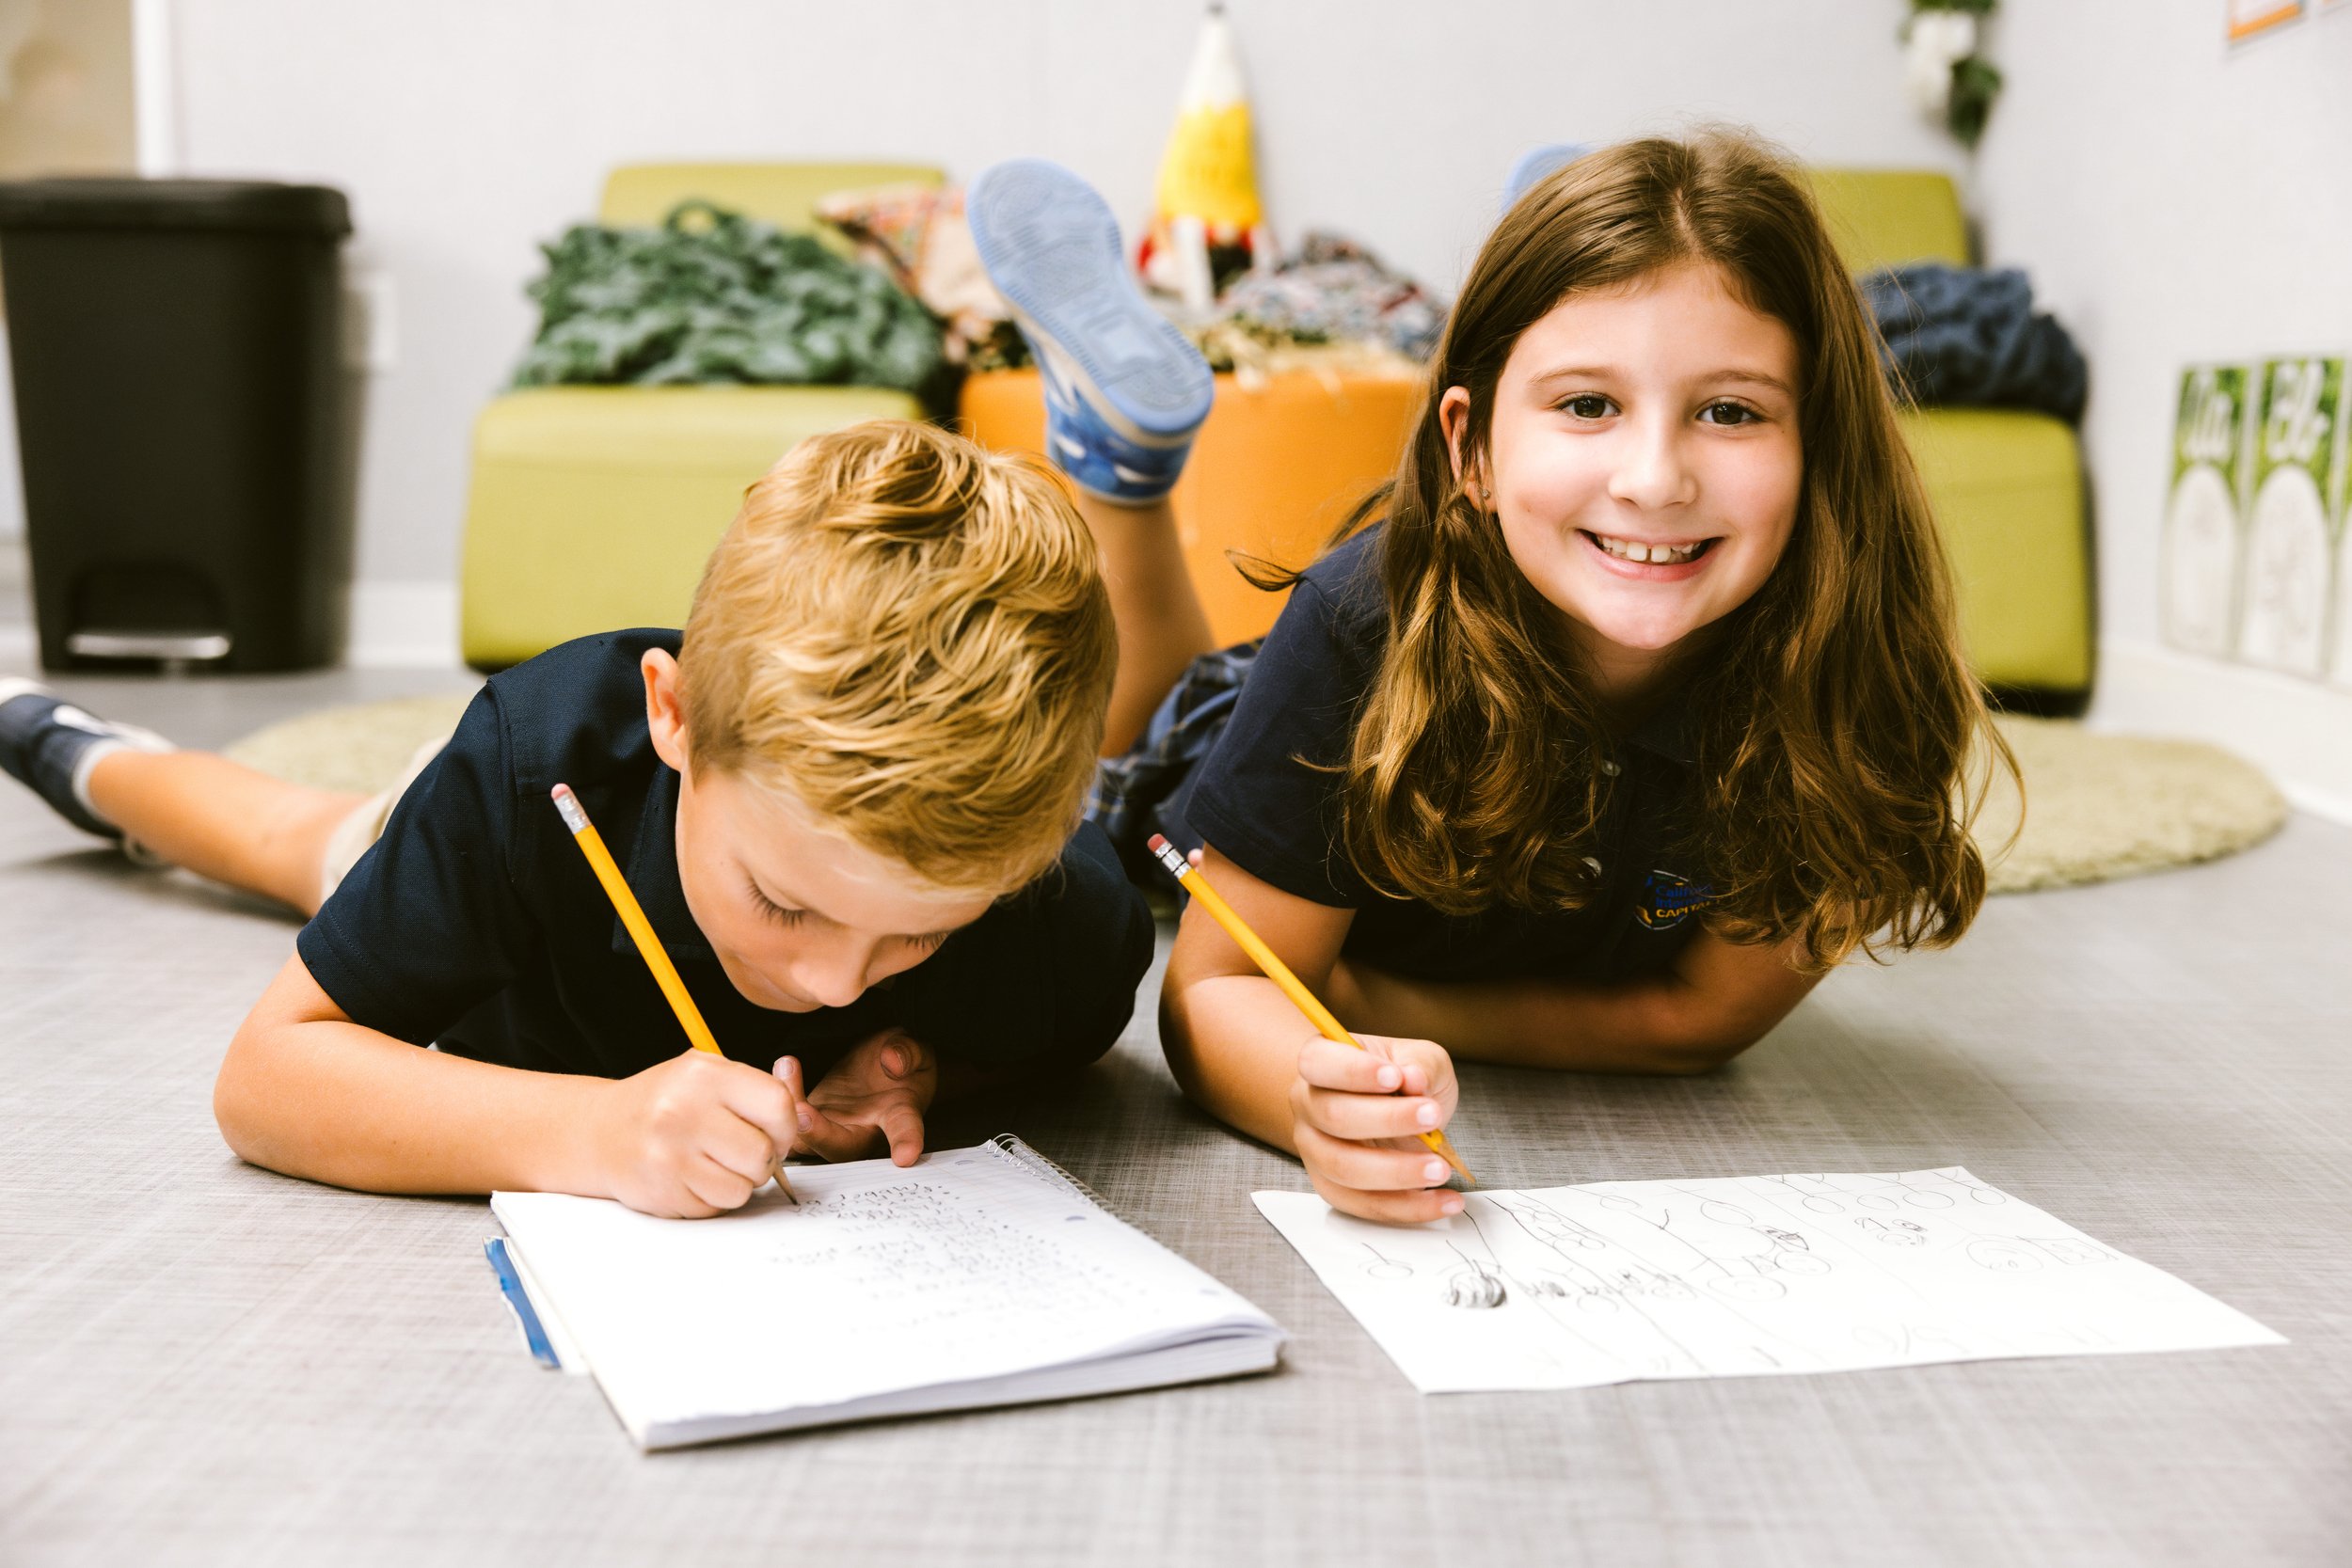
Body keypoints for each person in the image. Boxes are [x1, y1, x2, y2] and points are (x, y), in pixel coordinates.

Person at [971, 134, 2009, 1226]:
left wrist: (1359, 993)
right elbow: (1217, 987)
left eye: (1731, 411)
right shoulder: (1356, 623)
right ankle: (1121, 468)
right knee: (1140, 738)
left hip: (1398, 843)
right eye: (1588, 404)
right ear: (1467, 450)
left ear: (1823, 450)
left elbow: (1699, 1021)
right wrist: (1307, 1096)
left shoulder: (1860, 673)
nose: (1656, 478)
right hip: (1321, 701)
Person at [0, 420, 1154, 1217]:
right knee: (301, 843)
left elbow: (1050, 1033)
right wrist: (597, 1133)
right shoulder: (530, 770)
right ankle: (84, 754)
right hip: (501, 842)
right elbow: (265, 1082)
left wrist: (926, 1072)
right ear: (673, 716)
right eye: (785, 902)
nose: (841, 984)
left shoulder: (1052, 907)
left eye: (915, 934)